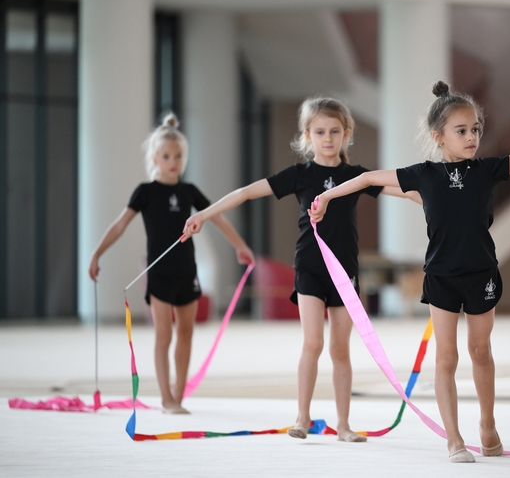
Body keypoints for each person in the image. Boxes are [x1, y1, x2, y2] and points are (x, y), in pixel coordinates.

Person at [309, 81, 510, 462]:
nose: (471, 137)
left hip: (481, 273)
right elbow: (367, 179)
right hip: (441, 277)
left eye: (476, 130)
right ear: (438, 137)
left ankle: (487, 424)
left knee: (480, 351)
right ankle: (454, 439)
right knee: (446, 358)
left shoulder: (486, 170)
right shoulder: (423, 175)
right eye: (461, 131)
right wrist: (326, 198)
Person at [183, 97, 421, 442]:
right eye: (320, 131)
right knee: (313, 342)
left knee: (341, 349)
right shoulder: (300, 175)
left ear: (346, 134)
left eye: (335, 131)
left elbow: (405, 190)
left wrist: (435, 200)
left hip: (345, 272)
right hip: (310, 266)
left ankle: (344, 425)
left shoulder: (354, 176)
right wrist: (203, 215)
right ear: (307, 135)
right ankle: (302, 417)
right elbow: (248, 192)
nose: (328, 138)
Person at [89, 114, 254, 414]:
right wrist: (96, 253)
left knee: (187, 333)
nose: (173, 161)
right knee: (163, 335)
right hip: (160, 276)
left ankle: (179, 393)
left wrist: (240, 246)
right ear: (154, 157)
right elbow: (119, 226)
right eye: (166, 156)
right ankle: (166, 397)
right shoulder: (145, 192)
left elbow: (217, 217)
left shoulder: (188, 191)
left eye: (178, 156)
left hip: (186, 273)